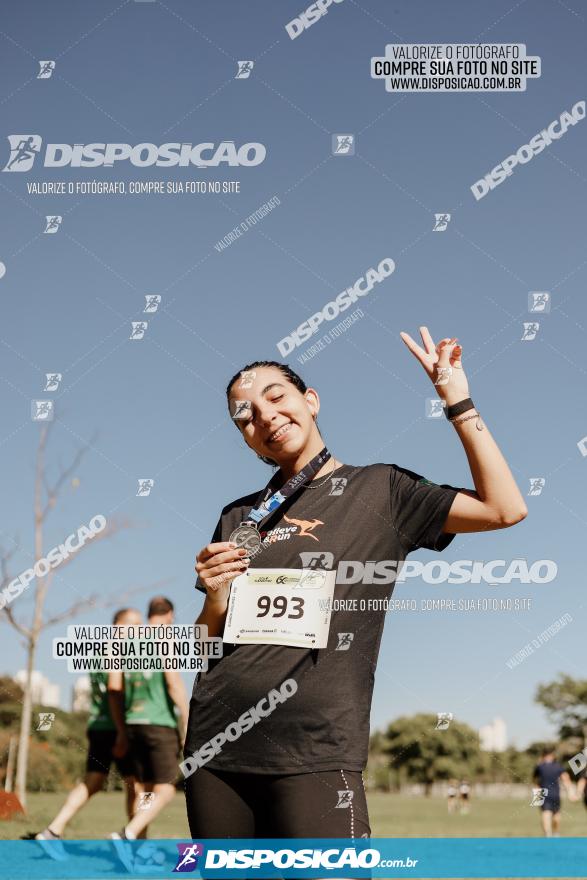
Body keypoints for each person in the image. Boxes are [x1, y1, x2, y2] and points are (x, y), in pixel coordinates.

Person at [184, 331, 528, 839]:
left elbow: (505, 509)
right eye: (246, 415)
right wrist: (216, 596)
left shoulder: (383, 490)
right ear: (245, 437)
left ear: (311, 400)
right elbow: (202, 645)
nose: (265, 416)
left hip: (316, 749)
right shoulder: (239, 517)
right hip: (216, 749)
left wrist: (457, 400)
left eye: (276, 397)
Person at [35, 607, 143, 855]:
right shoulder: (117, 651)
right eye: (134, 625)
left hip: (98, 725)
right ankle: (133, 843)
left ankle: (53, 830)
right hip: (116, 728)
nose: (139, 631)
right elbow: (117, 693)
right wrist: (123, 732)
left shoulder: (99, 649)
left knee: (93, 782)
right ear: (118, 625)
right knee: (136, 786)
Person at [108, 596, 189, 842]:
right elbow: (173, 683)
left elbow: (115, 688)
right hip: (159, 723)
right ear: (170, 616)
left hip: (133, 724)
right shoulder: (165, 637)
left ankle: (135, 854)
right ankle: (128, 834)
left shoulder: (128, 641)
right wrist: (187, 718)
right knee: (165, 789)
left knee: (143, 790)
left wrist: (121, 729)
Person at [533, 746, 575, 836]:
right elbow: (566, 780)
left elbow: (535, 782)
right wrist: (570, 793)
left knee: (548, 815)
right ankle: (553, 834)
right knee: (552, 816)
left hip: (546, 794)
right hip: (553, 795)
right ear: (552, 755)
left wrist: (536, 798)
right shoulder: (558, 766)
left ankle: (550, 834)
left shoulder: (539, 767)